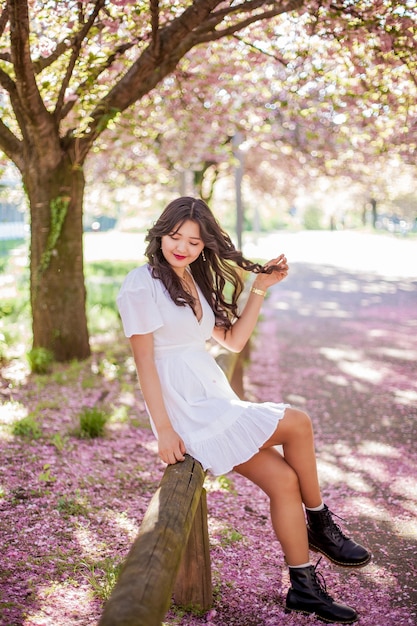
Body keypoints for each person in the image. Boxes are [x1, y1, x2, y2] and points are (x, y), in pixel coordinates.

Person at [117, 196, 371, 624]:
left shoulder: (190, 281)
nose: (182, 247)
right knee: (298, 423)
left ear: (204, 247)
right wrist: (162, 430)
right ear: (160, 233)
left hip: (213, 401)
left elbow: (232, 341)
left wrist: (259, 288)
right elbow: (144, 363)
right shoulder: (141, 285)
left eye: (194, 243)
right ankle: (321, 524)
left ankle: (304, 586)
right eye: (175, 237)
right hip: (189, 408)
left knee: (285, 481)